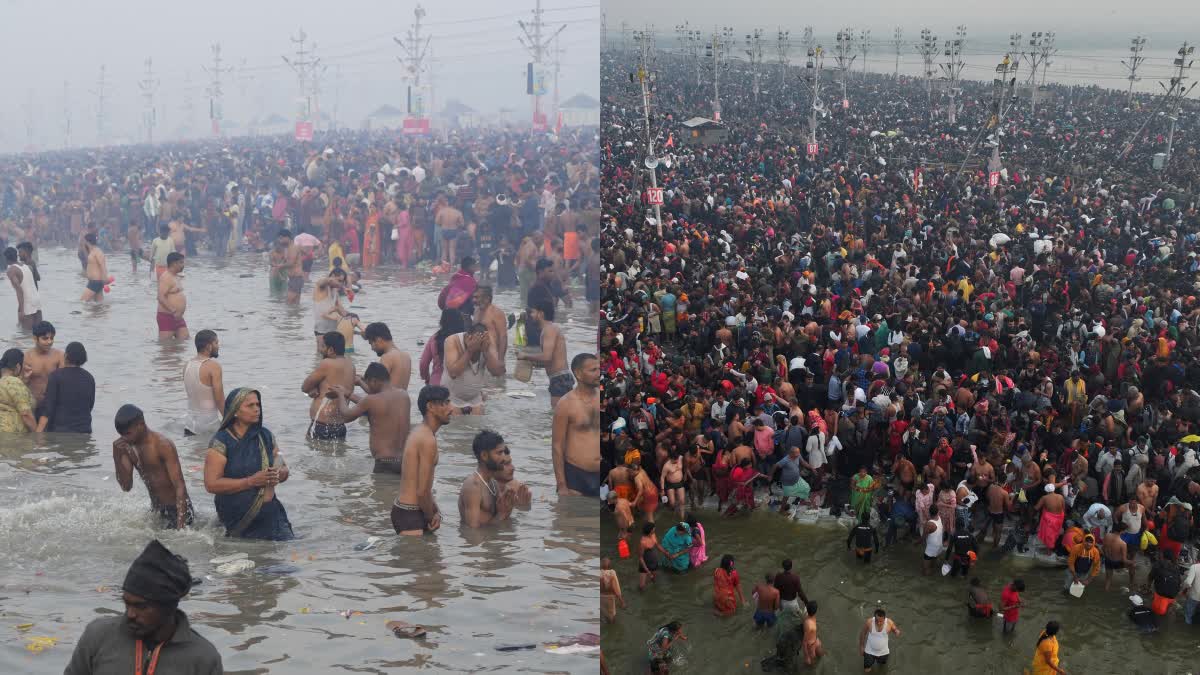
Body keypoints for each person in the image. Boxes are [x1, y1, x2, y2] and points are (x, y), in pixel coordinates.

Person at [63, 539, 222, 674]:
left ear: (169, 606)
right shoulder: (98, 636)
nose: (130, 614)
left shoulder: (203, 658)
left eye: (141, 607)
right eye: (127, 603)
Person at [202, 388, 294, 540]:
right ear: (235, 411)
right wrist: (251, 481)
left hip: (271, 515)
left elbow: (281, 464)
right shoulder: (221, 442)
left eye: (258, 404)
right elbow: (211, 484)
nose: (256, 409)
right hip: (238, 517)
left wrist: (282, 473)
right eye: (250, 405)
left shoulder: (266, 436)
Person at [113, 405, 194, 529]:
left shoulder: (162, 445)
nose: (125, 438)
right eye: (121, 434)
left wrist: (181, 528)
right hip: (157, 510)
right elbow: (126, 486)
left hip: (178, 510)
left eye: (128, 434)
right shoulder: (125, 446)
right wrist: (117, 456)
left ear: (141, 424)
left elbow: (180, 486)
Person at [392, 385, 452, 536]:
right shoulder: (427, 440)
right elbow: (422, 491)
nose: (451, 408)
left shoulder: (421, 432)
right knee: (420, 558)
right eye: (445, 403)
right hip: (410, 515)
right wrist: (431, 516)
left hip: (406, 510)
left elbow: (422, 486)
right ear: (430, 406)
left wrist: (434, 509)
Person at [331, 363, 411, 474]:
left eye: (368, 384)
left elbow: (346, 416)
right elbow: (373, 406)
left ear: (374, 381)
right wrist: (348, 394)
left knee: (382, 491)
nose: (368, 388)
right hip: (405, 461)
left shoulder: (371, 400)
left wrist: (340, 395)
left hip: (384, 463)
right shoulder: (404, 396)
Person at [551, 352, 602, 496]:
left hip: (600, 473)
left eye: (599, 369)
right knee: (573, 517)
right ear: (578, 374)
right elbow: (557, 446)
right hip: (576, 475)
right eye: (593, 370)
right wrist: (561, 484)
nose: (598, 373)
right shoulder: (565, 404)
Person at [301, 331, 356, 440]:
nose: (320, 350)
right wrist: (317, 387)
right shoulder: (351, 366)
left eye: (322, 346)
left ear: (330, 350)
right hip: (340, 426)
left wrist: (313, 389)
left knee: (314, 455)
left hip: (322, 425)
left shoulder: (327, 363)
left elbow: (305, 387)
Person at [518, 298, 571, 407]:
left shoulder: (549, 330)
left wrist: (525, 355)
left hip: (560, 379)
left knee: (557, 417)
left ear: (540, 314)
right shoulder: (549, 329)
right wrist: (529, 361)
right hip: (559, 378)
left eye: (533, 312)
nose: (531, 315)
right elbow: (550, 360)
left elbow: (546, 357)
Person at [443, 322, 505, 414]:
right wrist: (470, 350)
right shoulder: (452, 340)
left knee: (477, 426)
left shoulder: (487, 341)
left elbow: (497, 372)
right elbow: (453, 373)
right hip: (452, 398)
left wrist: (486, 351)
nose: (478, 350)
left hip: (475, 399)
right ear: (468, 337)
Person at [457, 430, 516, 528]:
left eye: (503, 452)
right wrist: (502, 514)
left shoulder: (493, 483)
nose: (504, 458)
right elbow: (473, 532)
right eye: (499, 453)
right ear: (484, 455)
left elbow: (495, 520)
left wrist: (508, 509)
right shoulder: (473, 486)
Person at [36, 341, 94, 432]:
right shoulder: (89, 378)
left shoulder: (56, 376)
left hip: (61, 431)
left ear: (66, 356)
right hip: (84, 430)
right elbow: (90, 405)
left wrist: (38, 434)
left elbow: (48, 409)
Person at [183, 330, 224, 436]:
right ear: (209, 346)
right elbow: (219, 399)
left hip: (190, 424)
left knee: (194, 452)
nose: (218, 346)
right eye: (216, 343)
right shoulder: (213, 366)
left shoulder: (187, 365)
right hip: (208, 424)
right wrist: (229, 420)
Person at [419, 309, 467, 386]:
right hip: (460, 387)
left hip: (437, 384)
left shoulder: (435, 338)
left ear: (442, 321)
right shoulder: (465, 339)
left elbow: (423, 363)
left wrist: (427, 379)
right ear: (461, 322)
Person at [24, 320, 64, 412]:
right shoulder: (27, 357)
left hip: (54, 406)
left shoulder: (59, 356)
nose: (49, 341)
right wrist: (25, 379)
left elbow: (65, 383)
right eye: (45, 338)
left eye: (52, 338)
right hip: (33, 405)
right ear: (35, 338)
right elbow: (19, 386)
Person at [362, 322, 412, 389]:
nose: (372, 348)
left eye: (371, 343)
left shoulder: (387, 357)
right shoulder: (406, 356)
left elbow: (376, 388)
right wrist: (363, 379)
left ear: (378, 340)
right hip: (403, 398)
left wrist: (359, 382)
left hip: (389, 399)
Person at [472, 285, 509, 373]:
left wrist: (500, 360)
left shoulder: (496, 312)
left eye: (477, 297)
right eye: (473, 297)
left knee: (495, 384)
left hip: (494, 354)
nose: (473, 300)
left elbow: (503, 337)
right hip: (478, 354)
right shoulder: (476, 311)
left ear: (487, 298)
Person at [0, 348, 37, 432]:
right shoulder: (14, 382)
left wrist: (24, 380)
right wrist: (38, 437)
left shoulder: (3, 381)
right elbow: (26, 414)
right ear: (18, 366)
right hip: (13, 435)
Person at [312, 268, 349, 352]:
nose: (341, 284)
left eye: (342, 281)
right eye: (339, 280)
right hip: (321, 331)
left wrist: (353, 319)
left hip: (333, 330)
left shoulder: (335, 291)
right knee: (321, 357)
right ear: (332, 276)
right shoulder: (321, 286)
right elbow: (323, 282)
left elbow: (343, 312)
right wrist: (341, 286)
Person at [5, 246, 42, 328]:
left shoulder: (11, 270)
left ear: (6, 258)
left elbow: (19, 291)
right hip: (37, 299)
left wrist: (21, 310)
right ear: (16, 255)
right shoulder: (27, 266)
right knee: (39, 332)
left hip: (27, 302)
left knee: (26, 334)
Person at [156, 252, 188, 340]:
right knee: (166, 346)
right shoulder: (166, 277)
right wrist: (173, 310)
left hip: (178, 317)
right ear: (174, 263)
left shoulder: (175, 276)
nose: (183, 265)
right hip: (167, 316)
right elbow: (160, 297)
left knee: (184, 343)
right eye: (181, 262)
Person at [859, 608, 900, 673]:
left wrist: (896, 631)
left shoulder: (889, 622)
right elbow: (863, 633)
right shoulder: (869, 622)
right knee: (867, 669)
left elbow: (894, 628)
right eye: (877, 620)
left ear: (884, 619)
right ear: (874, 617)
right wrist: (861, 646)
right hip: (869, 651)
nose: (878, 623)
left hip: (883, 652)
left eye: (881, 621)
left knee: (882, 667)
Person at [1147, 549, 1182, 617]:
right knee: (1168, 613)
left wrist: (1148, 587)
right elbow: (1179, 583)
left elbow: (1150, 577)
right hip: (1173, 595)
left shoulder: (1158, 564)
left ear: (1163, 556)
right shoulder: (1176, 567)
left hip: (1161, 595)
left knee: (1157, 614)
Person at [1102, 522, 1136, 591]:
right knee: (1133, 565)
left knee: (1108, 580)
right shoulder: (1122, 543)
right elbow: (1124, 560)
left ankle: (1106, 590)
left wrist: (1106, 556)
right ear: (1122, 531)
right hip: (1117, 562)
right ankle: (1131, 583)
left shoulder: (1107, 535)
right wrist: (1132, 562)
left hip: (1108, 560)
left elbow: (1103, 548)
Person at [276, 229, 304, 304]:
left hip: (296, 279)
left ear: (287, 238)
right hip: (295, 279)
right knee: (295, 304)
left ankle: (290, 316)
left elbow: (291, 263)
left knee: (288, 303)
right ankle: (296, 315)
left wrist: (280, 266)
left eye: (281, 238)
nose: (280, 241)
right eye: (279, 239)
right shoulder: (289, 248)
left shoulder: (293, 248)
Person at [80, 232, 109, 302]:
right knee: (98, 305)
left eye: (84, 241)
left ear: (87, 241)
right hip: (94, 281)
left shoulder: (97, 251)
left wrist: (105, 278)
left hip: (95, 282)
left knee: (82, 301)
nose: (82, 243)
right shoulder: (92, 251)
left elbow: (102, 265)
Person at [600, 557, 625, 624]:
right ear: (610, 565)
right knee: (612, 617)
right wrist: (621, 601)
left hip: (601, 597)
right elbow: (615, 589)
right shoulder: (612, 573)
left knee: (605, 614)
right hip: (610, 597)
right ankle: (611, 624)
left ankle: (607, 621)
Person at [802, 601, 825, 666]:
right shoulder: (809, 625)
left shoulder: (809, 615)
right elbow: (804, 642)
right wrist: (806, 656)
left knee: (821, 654)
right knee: (813, 663)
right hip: (811, 645)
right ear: (815, 611)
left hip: (816, 640)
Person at [1182, 552, 1200, 625]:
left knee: (1188, 614)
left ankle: (1187, 626)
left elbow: (1188, 583)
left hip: (1194, 596)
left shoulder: (1194, 567)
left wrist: (1183, 590)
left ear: (1197, 557)